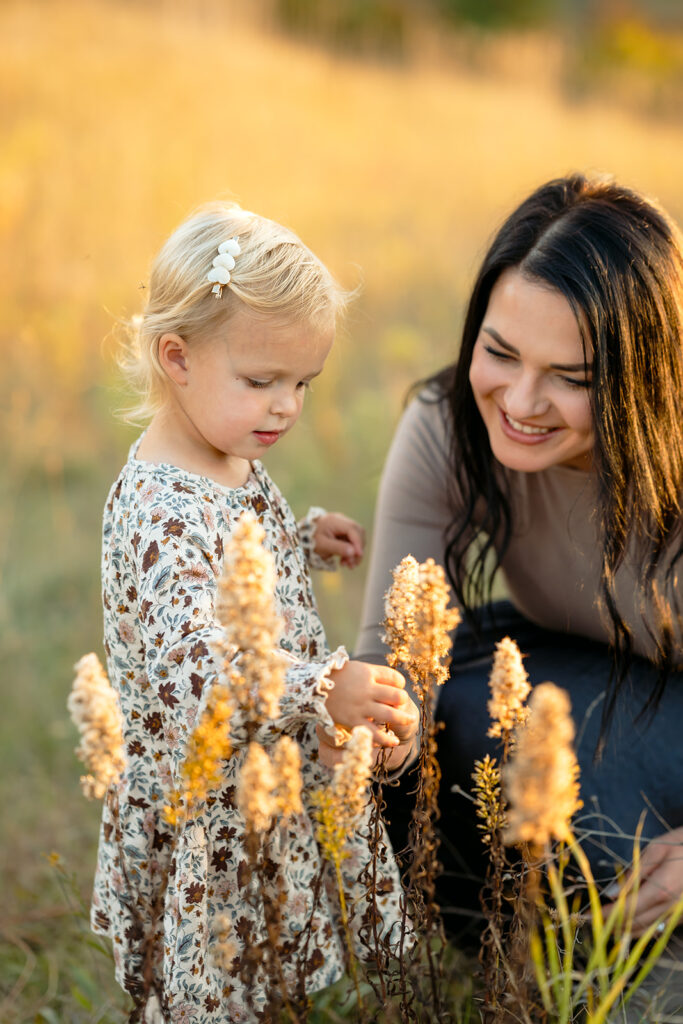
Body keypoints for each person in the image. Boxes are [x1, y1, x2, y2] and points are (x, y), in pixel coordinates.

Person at [91, 201, 419, 1021]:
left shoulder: (226, 455)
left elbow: (234, 561)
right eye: (262, 381)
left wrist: (300, 539)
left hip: (260, 772)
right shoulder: (159, 513)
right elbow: (202, 671)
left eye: (302, 384)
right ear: (178, 357)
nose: (285, 408)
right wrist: (319, 690)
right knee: (216, 979)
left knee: (264, 970)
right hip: (211, 792)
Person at [352, 174, 683, 968]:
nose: (521, 401)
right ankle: (511, 959)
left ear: (639, 377)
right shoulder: (445, 428)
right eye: (498, 353)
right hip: (585, 668)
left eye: (571, 378)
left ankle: (631, 967)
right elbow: (389, 663)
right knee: (444, 719)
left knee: (557, 766)